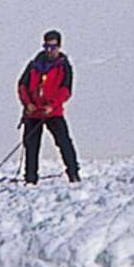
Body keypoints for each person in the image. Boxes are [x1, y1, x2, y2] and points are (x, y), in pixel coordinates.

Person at [17, 30, 81, 184]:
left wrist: (52, 106)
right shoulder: (33, 65)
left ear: (59, 46)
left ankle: (73, 173)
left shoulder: (64, 66)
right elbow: (22, 86)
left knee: (64, 142)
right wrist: (27, 104)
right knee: (31, 146)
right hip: (33, 113)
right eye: (46, 46)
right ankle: (30, 178)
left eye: (53, 47)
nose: (49, 50)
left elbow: (66, 90)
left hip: (53, 112)